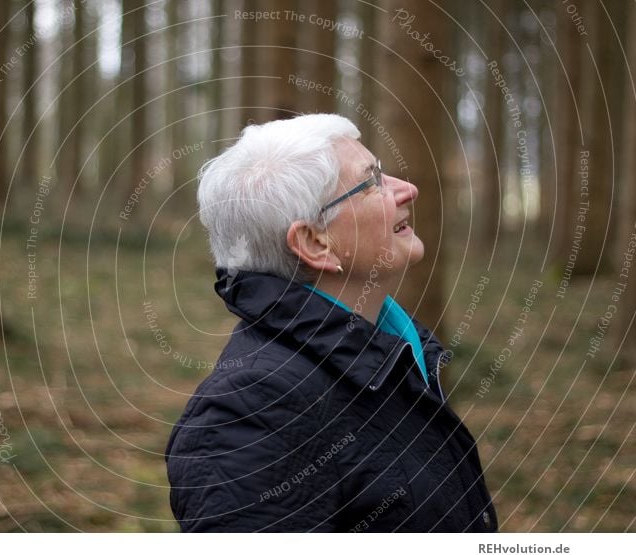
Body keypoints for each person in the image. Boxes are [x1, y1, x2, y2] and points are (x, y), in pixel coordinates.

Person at [164, 113, 497, 532]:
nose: (406, 189)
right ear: (315, 242)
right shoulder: (253, 414)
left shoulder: (392, 352)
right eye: (371, 181)